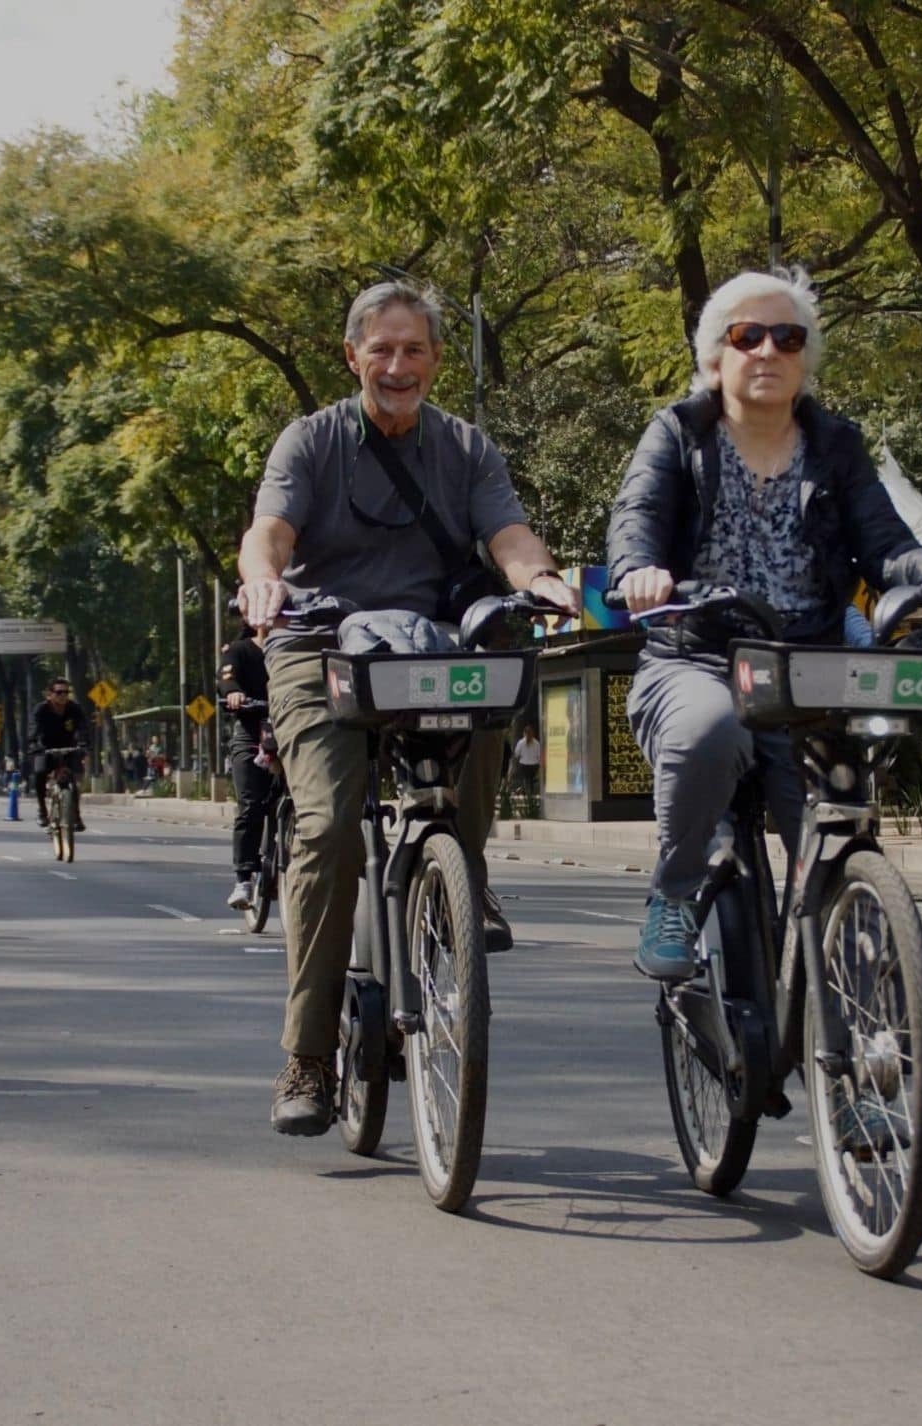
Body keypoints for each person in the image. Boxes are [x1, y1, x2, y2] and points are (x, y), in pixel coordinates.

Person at [238, 279, 580, 1137]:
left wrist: (539, 580)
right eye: (381, 350)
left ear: (433, 361)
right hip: (319, 646)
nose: (398, 365)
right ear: (353, 357)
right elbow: (270, 530)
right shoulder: (310, 442)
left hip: (428, 647)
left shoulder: (465, 448)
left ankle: (463, 870)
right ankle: (308, 1054)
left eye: (414, 350)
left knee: (502, 662)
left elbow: (507, 533)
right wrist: (262, 579)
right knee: (326, 829)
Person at [607, 266, 922, 984]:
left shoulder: (836, 443)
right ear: (715, 357)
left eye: (787, 338)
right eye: (748, 335)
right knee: (708, 732)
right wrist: (640, 571)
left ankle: (855, 1013)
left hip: (808, 667)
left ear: (805, 359)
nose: (768, 351)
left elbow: (885, 546)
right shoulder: (676, 433)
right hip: (697, 656)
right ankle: (674, 892)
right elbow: (636, 520)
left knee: (834, 832)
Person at [218, 622, 275, 910]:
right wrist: (233, 693)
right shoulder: (240, 650)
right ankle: (243, 878)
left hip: (295, 734)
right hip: (252, 735)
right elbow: (226, 677)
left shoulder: (294, 648)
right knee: (251, 805)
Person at [31, 682, 89, 829]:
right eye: (59, 692)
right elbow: (34, 728)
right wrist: (34, 744)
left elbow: (82, 727)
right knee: (39, 773)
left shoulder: (74, 708)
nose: (63, 695)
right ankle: (42, 811)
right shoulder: (41, 709)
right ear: (49, 694)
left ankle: (76, 816)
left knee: (73, 780)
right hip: (45, 748)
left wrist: (83, 743)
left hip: (69, 747)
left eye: (66, 692)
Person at [510, 722, 542, 801]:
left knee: (525, 779)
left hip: (523, 765)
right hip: (534, 766)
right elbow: (539, 756)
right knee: (530, 779)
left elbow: (517, 754)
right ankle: (530, 793)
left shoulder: (521, 742)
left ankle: (526, 793)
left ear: (524, 733)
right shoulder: (537, 743)